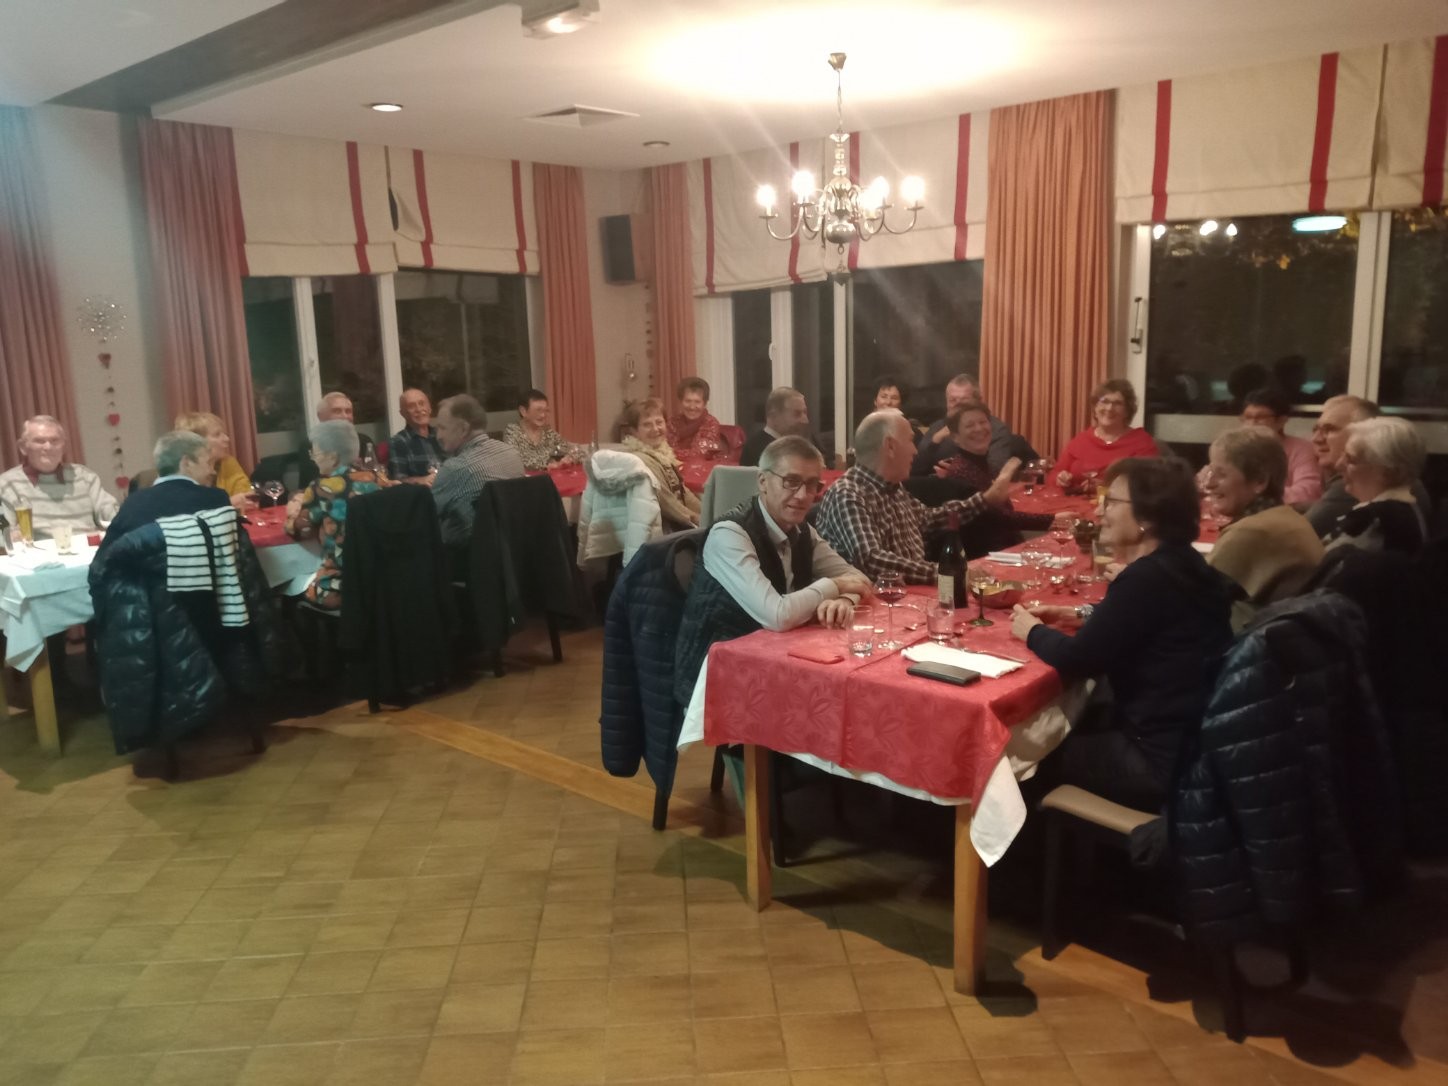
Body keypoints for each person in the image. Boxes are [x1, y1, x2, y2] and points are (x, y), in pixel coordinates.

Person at [1009, 458, 1234, 809]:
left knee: (1026, 755)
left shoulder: (1146, 578)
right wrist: (1078, 613)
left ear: (1147, 518)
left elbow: (1076, 659)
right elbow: (1143, 622)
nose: (1099, 510)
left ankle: (1017, 858)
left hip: (1158, 762)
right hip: (1196, 744)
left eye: (1112, 502)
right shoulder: (1182, 562)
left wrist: (1031, 630)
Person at [674, 435, 874, 702]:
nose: (803, 495)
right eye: (791, 481)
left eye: (812, 484)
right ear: (763, 482)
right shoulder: (730, 534)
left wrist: (845, 600)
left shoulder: (802, 530)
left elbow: (859, 579)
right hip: (719, 677)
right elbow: (776, 616)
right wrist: (835, 586)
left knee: (853, 696)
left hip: (780, 661)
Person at [816, 410, 1018, 584]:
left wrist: (985, 500)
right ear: (891, 447)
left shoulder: (893, 489)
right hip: (872, 612)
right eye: (911, 441)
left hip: (910, 597)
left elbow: (929, 518)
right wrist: (944, 573)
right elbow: (872, 560)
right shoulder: (848, 494)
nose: (915, 450)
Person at [1202, 426, 1324, 630]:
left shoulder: (1253, 531)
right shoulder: (1285, 517)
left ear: (1259, 481)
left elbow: (1190, 599)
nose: (1209, 483)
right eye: (1210, 471)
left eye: (1220, 474)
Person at [923, 402, 1063, 542]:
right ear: (955, 437)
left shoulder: (983, 463)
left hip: (1003, 543)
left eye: (983, 422)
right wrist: (1052, 519)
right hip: (985, 552)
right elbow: (997, 518)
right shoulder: (960, 470)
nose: (979, 429)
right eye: (969, 425)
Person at [284, 420, 383, 610]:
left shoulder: (321, 488)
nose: (313, 459)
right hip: (382, 580)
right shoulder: (378, 480)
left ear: (333, 457)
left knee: (290, 589)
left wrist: (290, 516)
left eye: (316, 453)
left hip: (341, 586)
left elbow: (301, 530)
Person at [1303, 395, 1432, 535]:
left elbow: (1296, 536)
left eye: (1330, 429)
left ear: (1365, 432)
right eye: (1316, 429)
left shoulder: (1364, 478)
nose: (1316, 439)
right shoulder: (1402, 480)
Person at [96, 431, 230, 555]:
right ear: (186, 463)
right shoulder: (216, 499)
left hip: (146, 580)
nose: (212, 471)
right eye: (208, 463)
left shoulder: (133, 504)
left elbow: (101, 563)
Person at [1322, 417, 1429, 555]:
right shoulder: (1408, 508)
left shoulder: (1375, 520)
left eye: (1351, 460)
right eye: (1342, 455)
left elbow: (1324, 569)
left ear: (1391, 472)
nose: (1338, 465)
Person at [0, 415, 118, 539]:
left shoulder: (85, 477)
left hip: (88, 551)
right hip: (39, 555)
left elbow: (112, 515)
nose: (48, 447)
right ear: (23, 447)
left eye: (55, 440)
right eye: (39, 441)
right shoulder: (7, 484)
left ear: (64, 446)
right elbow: (5, 535)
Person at [431, 394, 525, 547]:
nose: (438, 436)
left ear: (463, 429)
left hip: (469, 559)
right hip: (514, 551)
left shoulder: (455, 469)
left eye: (442, 428)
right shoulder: (512, 454)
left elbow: (428, 515)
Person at [915, 372, 1036, 476]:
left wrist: (955, 473)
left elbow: (995, 471)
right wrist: (934, 442)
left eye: (964, 401)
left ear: (978, 401)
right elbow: (916, 469)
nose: (957, 405)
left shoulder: (991, 428)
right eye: (952, 400)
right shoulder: (937, 427)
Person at [1054, 379, 1159, 490]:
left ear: (1127, 411)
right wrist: (1060, 478)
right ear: (1095, 408)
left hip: (1117, 505)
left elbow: (1149, 485)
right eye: (1104, 401)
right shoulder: (1081, 440)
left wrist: (1106, 488)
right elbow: (1053, 475)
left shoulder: (1142, 443)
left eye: (1117, 403)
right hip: (1072, 505)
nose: (1109, 408)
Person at [618, 398, 702, 531]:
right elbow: (667, 503)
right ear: (634, 431)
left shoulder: (662, 453)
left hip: (680, 523)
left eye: (659, 422)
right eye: (647, 425)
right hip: (664, 531)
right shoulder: (641, 461)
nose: (655, 429)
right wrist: (699, 520)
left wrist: (708, 511)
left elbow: (682, 492)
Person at [1237, 387, 1322, 505]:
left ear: (1282, 420)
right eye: (1247, 418)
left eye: (1260, 418)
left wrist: (1251, 496)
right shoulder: (1235, 449)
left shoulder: (1301, 449)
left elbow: (1308, 491)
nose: (1252, 424)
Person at [174, 411, 255, 511]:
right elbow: (181, 513)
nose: (227, 439)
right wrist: (226, 504)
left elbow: (247, 500)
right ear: (196, 442)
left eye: (224, 433)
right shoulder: (179, 471)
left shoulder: (228, 463)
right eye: (217, 435)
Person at [739, 387, 824, 467]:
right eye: (797, 414)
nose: (805, 420)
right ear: (774, 416)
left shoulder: (802, 442)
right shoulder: (757, 449)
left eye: (805, 413)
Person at [503, 389, 576, 471]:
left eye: (546, 410)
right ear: (523, 411)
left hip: (548, 478)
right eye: (538, 410)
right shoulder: (512, 431)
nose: (543, 415)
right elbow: (518, 461)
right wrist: (549, 463)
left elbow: (575, 451)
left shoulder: (547, 431)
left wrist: (568, 458)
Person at [388, 388, 444, 484]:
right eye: (411, 406)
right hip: (424, 494)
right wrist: (421, 480)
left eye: (422, 403)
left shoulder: (443, 435)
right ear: (403, 413)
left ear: (429, 408)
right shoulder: (398, 441)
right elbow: (398, 480)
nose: (418, 409)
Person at [315, 391, 378, 467]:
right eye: (337, 411)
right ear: (321, 416)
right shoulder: (312, 444)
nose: (345, 416)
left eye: (348, 411)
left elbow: (375, 474)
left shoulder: (364, 441)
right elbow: (313, 478)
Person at [666, 377, 723, 456]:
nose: (692, 407)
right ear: (681, 401)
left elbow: (699, 453)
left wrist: (669, 454)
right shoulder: (673, 422)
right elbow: (665, 447)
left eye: (697, 402)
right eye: (688, 401)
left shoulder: (711, 424)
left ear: (704, 404)